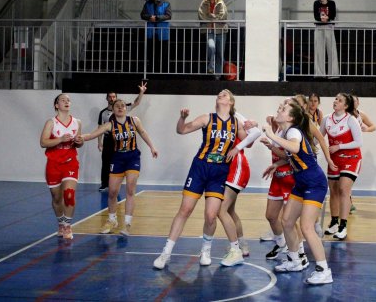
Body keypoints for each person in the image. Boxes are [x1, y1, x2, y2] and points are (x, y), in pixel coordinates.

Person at [153, 90, 259, 270]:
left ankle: (206, 250)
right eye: (219, 94)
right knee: (185, 210)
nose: (221, 95)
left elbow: (252, 139)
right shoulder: (207, 118)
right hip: (200, 167)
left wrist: (249, 128)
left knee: (211, 215)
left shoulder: (236, 123)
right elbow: (181, 130)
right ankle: (166, 253)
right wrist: (182, 118)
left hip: (219, 171)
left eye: (225, 94)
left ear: (231, 102)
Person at [262, 100, 333, 285]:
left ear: (290, 117)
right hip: (302, 182)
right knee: (286, 221)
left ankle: (324, 270)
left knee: (307, 227)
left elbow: (293, 147)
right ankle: (296, 260)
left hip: (314, 182)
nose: (280, 109)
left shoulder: (293, 131)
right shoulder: (287, 131)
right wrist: (276, 162)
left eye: (284, 109)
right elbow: (291, 155)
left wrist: (270, 134)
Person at [83, 98, 158, 236]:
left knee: (130, 189)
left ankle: (127, 224)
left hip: (132, 157)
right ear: (113, 109)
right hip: (117, 158)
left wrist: (152, 147)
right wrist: (81, 137)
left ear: (126, 108)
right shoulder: (109, 125)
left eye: (123, 105)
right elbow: (93, 134)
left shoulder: (134, 120)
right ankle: (112, 220)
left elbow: (143, 133)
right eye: (117, 106)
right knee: (112, 192)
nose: (120, 108)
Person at [39, 94, 84, 240]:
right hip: (53, 163)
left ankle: (67, 225)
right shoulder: (51, 122)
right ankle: (60, 222)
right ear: (56, 105)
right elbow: (43, 142)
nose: (66, 101)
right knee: (57, 198)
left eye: (68, 100)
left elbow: (79, 143)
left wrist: (79, 141)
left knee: (69, 195)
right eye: (63, 100)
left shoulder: (77, 122)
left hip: (70, 162)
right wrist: (59, 139)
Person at [321, 93, 363, 241]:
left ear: (345, 106)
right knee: (333, 191)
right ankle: (334, 221)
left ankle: (343, 226)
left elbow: (358, 142)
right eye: (335, 99)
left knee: (344, 189)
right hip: (334, 160)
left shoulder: (351, 120)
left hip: (352, 159)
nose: (335, 101)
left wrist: (339, 146)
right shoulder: (326, 119)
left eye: (339, 100)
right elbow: (318, 137)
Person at [219, 111, 261, 258]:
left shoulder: (236, 117)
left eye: (224, 95)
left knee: (221, 209)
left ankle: (235, 248)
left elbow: (255, 133)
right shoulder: (217, 119)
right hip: (227, 168)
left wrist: (253, 124)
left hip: (237, 167)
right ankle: (242, 245)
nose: (220, 97)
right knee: (229, 211)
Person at [97, 82, 147, 191]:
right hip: (108, 139)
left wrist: (141, 92)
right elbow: (99, 129)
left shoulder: (123, 108)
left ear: (116, 98)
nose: (111, 98)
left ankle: (116, 184)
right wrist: (99, 142)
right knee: (106, 162)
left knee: (119, 161)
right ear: (107, 98)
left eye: (113, 96)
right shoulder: (103, 113)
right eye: (110, 97)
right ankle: (104, 183)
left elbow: (136, 102)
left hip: (122, 139)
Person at [349, 95, 376, 213]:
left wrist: (366, 129)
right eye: (352, 101)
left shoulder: (361, 114)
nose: (354, 103)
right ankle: (347, 203)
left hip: (354, 149)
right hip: (344, 148)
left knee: (349, 180)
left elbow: (374, 126)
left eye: (356, 101)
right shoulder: (346, 115)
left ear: (358, 103)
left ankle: (348, 203)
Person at [198, 0, 228, 80]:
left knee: (220, 53)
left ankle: (218, 75)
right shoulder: (203, 3)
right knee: (211, 47)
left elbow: (223, 16)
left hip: (220, 31)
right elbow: (201, 16)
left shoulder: (221, 3)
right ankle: (210, 66)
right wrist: (213, 18)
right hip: (209, 30)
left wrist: (213, 17)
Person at [140, 0, 172, 73]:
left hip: (162, 33)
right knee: (151, 52)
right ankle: (151, 71)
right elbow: (142, 15)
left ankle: (163, 71)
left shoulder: (166, 3)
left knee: (163, 53)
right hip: (150, 32)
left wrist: (157, 18)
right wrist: (150, 17)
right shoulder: (148, 3)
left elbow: (168, 15)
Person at [313, 0, 339, 78]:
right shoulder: (316, 3)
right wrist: (321, 19)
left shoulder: (332, 3)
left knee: (332, 51)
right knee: (319, 51)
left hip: (329, 27)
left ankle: (333, 74)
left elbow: (333, 14)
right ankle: (320, 74)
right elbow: (316, 16)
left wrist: (327, 18)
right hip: (319, 27)